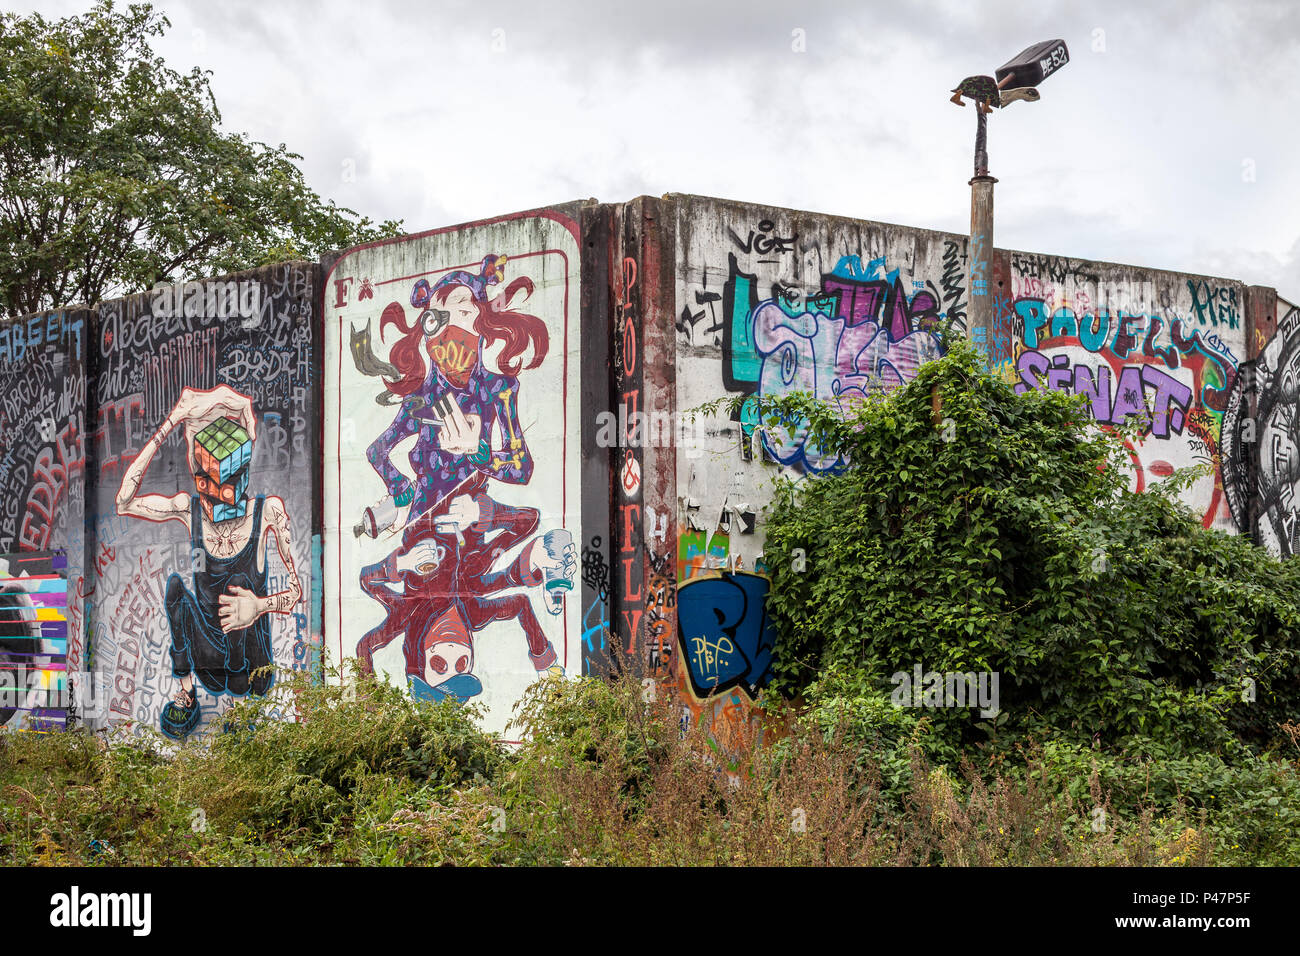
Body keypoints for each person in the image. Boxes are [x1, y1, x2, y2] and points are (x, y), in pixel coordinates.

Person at [115, 385, 301, 739]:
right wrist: (170, 422)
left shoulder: (267, 513)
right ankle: (186, 693)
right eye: (204, 480)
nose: (212, 492)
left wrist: (259, 606)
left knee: (239, 597)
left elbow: (295, 590)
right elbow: (125, 501)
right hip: (206, 649)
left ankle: (238, 705)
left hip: (249, 659)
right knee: (174, 588)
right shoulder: (189, 509)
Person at [366, 254, 548, 534]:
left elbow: (521, 467)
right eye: (437, 319)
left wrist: (480, 454)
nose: (449, 331)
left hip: (472, 523)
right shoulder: (420, 400)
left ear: (482, 324)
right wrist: (399, 486)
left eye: (463, 313)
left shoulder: (498, 390)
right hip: (422, 527)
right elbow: (377, 450)